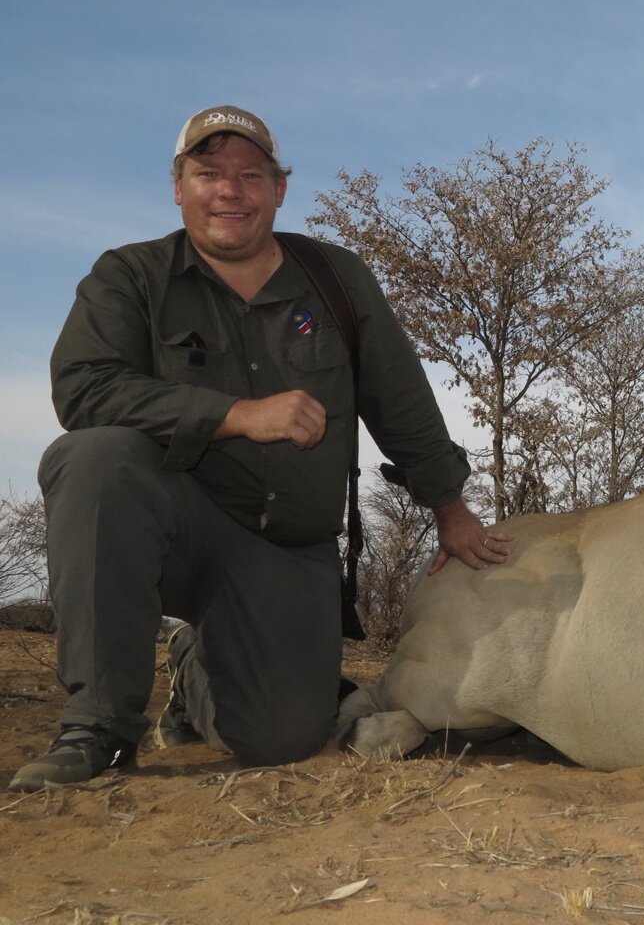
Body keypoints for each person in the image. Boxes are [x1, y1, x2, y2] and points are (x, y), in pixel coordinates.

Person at [9, 105, 510, 791]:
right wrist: (236, 414)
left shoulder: (336, 280)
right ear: (178, 185)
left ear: (279, 189)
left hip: (285, 550)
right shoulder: (129, 276)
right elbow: (84, 390)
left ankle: (196, 672)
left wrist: (451, 510)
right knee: (94, 458)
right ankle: (98, 728)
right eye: (208, 172)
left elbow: (401, 402)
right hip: (174, 529)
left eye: (251, 174)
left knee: (285, 739)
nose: (229, 190)